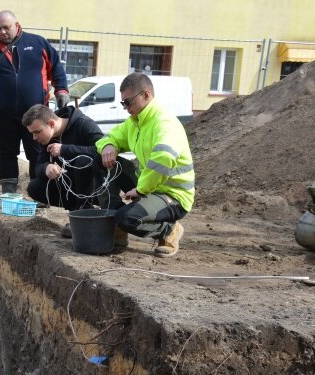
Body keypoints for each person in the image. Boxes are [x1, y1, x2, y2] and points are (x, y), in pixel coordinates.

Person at [0, 10, 69, 203]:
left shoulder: (37, 43)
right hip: (3, 113)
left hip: (35, 114)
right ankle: (9, 192)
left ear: (16, 25)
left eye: (7, 27)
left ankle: (39, 194)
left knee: (37, 153)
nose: (3, 31)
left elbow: (56, 67)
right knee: (6, 152)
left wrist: (61, 90)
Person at [96, 73, 195, 257]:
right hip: (149, 186)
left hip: (173, 195)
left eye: (128, 102)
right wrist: (108, 146)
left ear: (146, 95)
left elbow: (163, 161)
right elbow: (107, 138)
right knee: (102, 161)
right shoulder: (135, 122)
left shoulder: (164, 123)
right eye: (122, 104)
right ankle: (117, 228)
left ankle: (169, 230)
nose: (125, 108)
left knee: (127, 218)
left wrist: (140, 190)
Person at [22, 103, 134, 240]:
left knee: (83, 161)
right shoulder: (46, 137)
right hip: (72, 186)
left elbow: (101, 151)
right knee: (34, 187)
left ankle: (86, 211)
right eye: (32, 133)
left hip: (97, 186)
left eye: (36, 132)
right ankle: (78, 212)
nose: (34, 138)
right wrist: (46, 167)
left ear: (51, 123)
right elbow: (38, 166)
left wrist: (65, 149)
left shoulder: (83, 124)